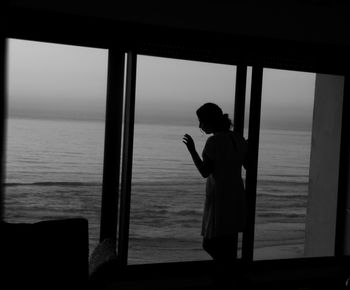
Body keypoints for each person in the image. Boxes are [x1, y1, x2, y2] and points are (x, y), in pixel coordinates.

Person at [183, 102, 248, 262]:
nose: (200, 126)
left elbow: (205, 172)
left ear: (210, 121)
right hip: (236, 195)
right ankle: (229, 273)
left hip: (219, 199)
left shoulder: (214, 142)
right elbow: (247, 164)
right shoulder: (238, 138)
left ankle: (227, 272)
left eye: (202, 122)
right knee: (228, 243)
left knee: (210, 243)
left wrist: (192, 150)